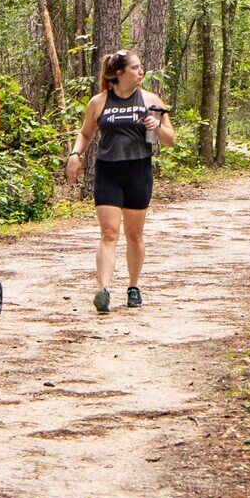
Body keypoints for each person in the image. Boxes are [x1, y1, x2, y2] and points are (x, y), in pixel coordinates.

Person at [65, 49, 175, 312]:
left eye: (141, 67)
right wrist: (74, 154)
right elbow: (85, 132)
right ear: (120, 74)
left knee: (134, 235)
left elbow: (170, 140)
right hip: (108, 172)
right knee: (109, 233)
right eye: (135, 68)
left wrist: (156, 126)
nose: (140, 72)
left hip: (138, 172)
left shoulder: (151, 100)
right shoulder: (99, 102)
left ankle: (133, 287)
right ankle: (103, 289)